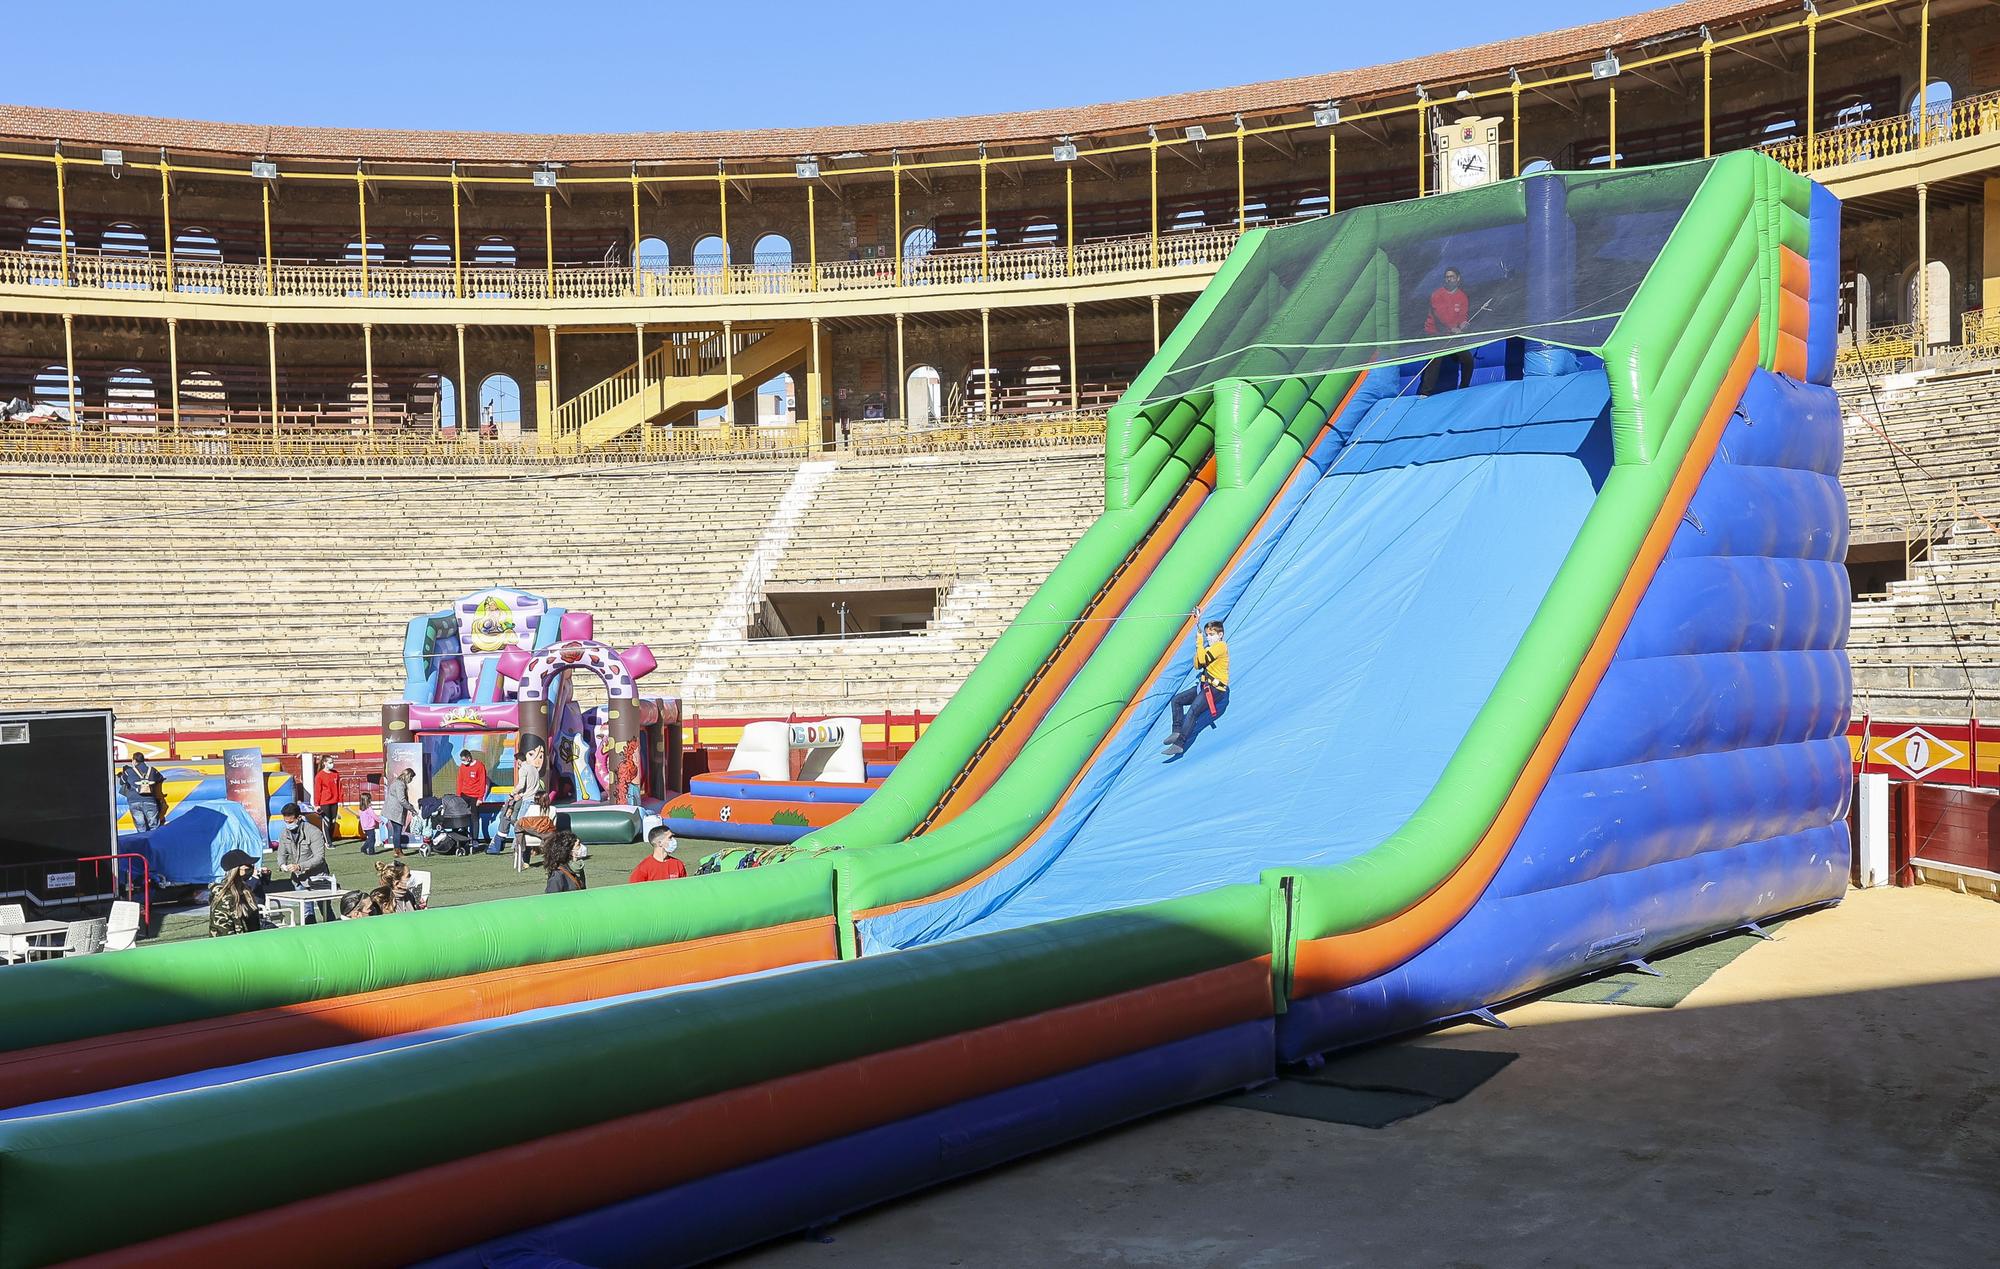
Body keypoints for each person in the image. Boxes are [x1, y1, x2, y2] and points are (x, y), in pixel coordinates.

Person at [1163, 619, 1230, 759]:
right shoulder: (1208, 649)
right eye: (1207, 635)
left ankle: (1180, 744)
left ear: (1220, 635)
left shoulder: (1221, 647)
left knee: (1193, 710)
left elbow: (1203, 660)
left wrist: (1199, 643)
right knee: (1177, 700)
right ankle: (1176, 730)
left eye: (1212, 634)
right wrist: (1200, 648)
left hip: (1215, 689)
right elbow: (1197, 664)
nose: (1209, 638)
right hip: (1204, 686)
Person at [1418, 267, 1478, 396]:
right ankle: (1425, 393)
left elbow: (1463, 316)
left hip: (1453, 336)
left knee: (1468, 359)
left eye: (1451, 276)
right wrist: (1452, 328)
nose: (1449, 279)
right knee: (1435, 359)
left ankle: (1464, 388)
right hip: (1436, 334)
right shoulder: (1437, 294)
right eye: (1447, 277)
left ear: (1458, 279)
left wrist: (1463, 324)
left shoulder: (1462, 296)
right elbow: (1440, 315)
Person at [275, 801, 332, 919]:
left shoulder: (314, 832)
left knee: (326, 910)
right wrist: (282, 865)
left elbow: (319, 857)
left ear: (299, 817)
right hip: (299, 880)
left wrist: (300, 866)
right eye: (285, 822)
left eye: (290, 822)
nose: (288, 825)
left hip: (318, 878)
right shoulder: (284, 834)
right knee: (306, 914)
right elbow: (281, 854)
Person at [209, 849, 265, 937]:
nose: (251, 869)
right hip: (233, 946)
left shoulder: (246, 892)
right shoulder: (224, 898)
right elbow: (222, 932)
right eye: (247, 867)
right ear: (236, 870)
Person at [118, 752, 164, 832]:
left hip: (134, 801)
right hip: (150, 801)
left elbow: (121, 782)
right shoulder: (152, 770)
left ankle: (143, 843)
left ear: (134, 761)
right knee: (154, 827)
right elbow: (160, 778)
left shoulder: (128, 771)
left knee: (141, 828)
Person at [455, 751, 490, 847]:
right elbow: (460, 781)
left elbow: (482, 782)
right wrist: (458, 795)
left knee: (474, 818)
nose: (463, 762)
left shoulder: (479, 766)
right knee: (461, 816)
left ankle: (475, 839)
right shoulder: (462, 767)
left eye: (464, 760)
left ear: (469, 758)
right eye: (461, 760)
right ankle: (463, 838)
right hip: (464, 795)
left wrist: (480, 798)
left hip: (475, 796)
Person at [380, 768, 415, 857]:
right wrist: (411, 808)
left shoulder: (396, 782)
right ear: (408, 776)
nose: (411, 780)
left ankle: (397, 850)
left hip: (391, 811)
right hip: (395, 811)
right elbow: (402, 800)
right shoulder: (400, 784)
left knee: (396, 831)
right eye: (411, 778)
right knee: (397, 832)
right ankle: (398, 851)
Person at [313, 756, 342, 843]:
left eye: (332, 762)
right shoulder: (319, 776)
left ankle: (330, 839)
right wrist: (316, 804)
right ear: (324, 763)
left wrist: (340, 800)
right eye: (330, 762)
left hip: (334, 801)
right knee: (327, 822)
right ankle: (327, 842)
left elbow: (339, 788)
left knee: (333, 822)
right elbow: (317, 791)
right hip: (324, 802)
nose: (332, 764)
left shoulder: (335, 774)